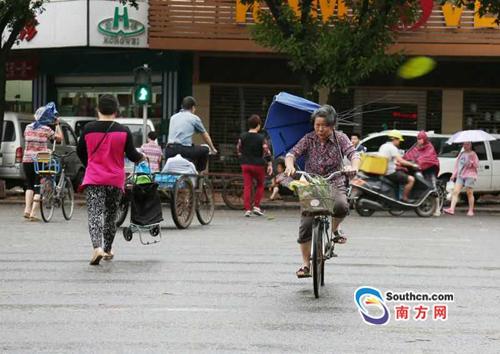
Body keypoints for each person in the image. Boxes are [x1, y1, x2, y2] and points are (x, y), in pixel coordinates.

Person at [284, 105, 360, 278]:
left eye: (324, 126)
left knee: (341, 206)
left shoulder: (340, 138)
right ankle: (306, 265)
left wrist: (353, 167)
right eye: (317, 125)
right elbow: (292, 154)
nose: (319, 129)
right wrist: (289, 166)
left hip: (334, 181)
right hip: (312, 183)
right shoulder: (308, 139)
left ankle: (334, 229)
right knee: (305, 225)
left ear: (332, 125)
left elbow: (354, 154)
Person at [77, 94, 145, 265]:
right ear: (116, 111)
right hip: (115, 179)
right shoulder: (123, 131)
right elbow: (132, 155)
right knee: (110, 215)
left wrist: (90, 164)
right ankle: (107, 249)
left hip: (94, 178)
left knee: (94, 214)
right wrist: (143, 157)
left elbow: (80, 151)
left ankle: (97, 248)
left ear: (97, 109)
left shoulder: (88, 129)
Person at [22, 102, 63, 221]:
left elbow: (31, 142)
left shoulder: (27, 127)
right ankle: (34, 213)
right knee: (38, 185)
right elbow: (59, 138)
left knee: (29, 184)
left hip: (27, 159)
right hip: (41, 159)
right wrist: (57, 124)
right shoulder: (46, 129)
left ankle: (27, 209)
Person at [165, 96, 217, 172]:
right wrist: (213, 149)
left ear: (182, 106)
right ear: (192, 107)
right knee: (205, 149)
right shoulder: (194, 118)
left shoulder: (173, 117)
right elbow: (205, 136)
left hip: (169, 150)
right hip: (184, 150)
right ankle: (199, 172)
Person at [237, 114, 273, 217]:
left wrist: (243, 158)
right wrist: (269, 164)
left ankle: (247, 209)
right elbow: (266, 151)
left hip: (245, 165)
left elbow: (238, 149)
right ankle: (256, 206)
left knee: (247, 186)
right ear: (258, 125)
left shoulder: (242, 136)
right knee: (260, 185)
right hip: (258, 165)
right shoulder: (261, 138)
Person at [378, 130, 419, 203]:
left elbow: (388, 159)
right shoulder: (392, 147)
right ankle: (405, 198)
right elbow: (401, 160)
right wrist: (413, 165)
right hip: (390, 172)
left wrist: (396, 164)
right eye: (399, 140)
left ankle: (397, 197)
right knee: (411, 179)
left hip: (383, 171)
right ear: (394, 139)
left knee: (401, 174)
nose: (399, 142)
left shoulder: (383, 146)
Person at [444, 142, 479, 216]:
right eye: (464, 144)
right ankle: (451, 209)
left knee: (469, 193)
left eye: (467, 144)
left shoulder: (473, 154)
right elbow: (457, 165)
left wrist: (471, 161)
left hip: (470, 175)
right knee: (455, 192)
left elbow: (477, 165)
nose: (465, 146)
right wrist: (454, 174)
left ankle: (470, 210)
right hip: (460, 175)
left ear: (470, 145)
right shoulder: (461, 154)